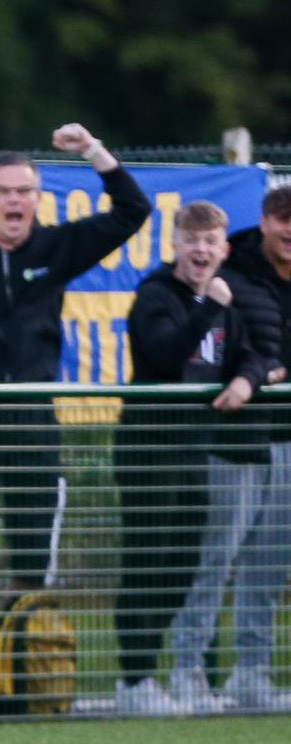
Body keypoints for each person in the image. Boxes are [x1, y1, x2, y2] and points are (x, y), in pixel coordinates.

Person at [0, 125, 151, 686]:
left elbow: (132, 211)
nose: (16, 201)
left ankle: (15, 671)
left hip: (32, 419)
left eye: (25, 191)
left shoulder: (56, 248)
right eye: (4, 191)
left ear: (37, 199)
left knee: (31, 562)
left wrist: (96, 151)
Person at [118, 200, 280, 716]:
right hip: (149, 448)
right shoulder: (156, 296)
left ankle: (161, 676)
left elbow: (253, 353)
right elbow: (165, 354)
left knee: (181, 566)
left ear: (223, 249)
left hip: (195, 446)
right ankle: (134, 679)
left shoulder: (224, 303)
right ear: (176, 246)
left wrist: (246, 378)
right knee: (147, 562)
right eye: (193, 241)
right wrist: (208, 306)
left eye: (211, 242)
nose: (202, 251)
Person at [167, 187, 291, 712]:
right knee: (215, 557)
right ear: (264, 221)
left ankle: (251, 672)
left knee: (271, 561)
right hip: (234, 437)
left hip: (285, 437)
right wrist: (263, 373)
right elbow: (234, 351)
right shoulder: (231, 275)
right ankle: (186, 668)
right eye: (283, 221)